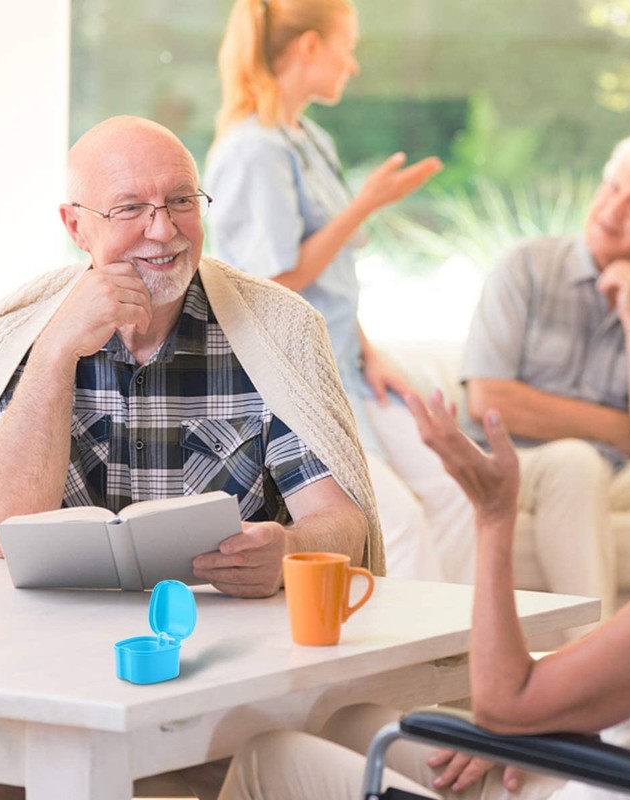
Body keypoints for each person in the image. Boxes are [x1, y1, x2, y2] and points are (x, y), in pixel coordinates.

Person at [216, 309, 630, 800]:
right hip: (618, 769)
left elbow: (502, 704)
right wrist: (534, 723)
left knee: (270, 758)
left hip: (598, 787)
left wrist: (493, 514)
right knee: (350, 723)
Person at [0, 114, 384, 598]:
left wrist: (289, 551)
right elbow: (0, 531)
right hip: (55, 639)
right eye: (130, 208)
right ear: (76, 226)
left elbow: (343, 522)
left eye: (181, 201)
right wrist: (56, 350)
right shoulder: (22, 331)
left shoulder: (279, 328)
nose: (163, 229)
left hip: (233, 637)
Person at [205, 0, 472, 581]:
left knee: (458, 489)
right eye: (346, 48)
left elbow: (330, 284)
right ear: (308, 47)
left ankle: (461, 654)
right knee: (395, 522)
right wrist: (364, 205)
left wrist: (370, 353)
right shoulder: (255, 150)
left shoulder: (310, 139)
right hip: (300, 379)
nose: (352, 65)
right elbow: (273, 285)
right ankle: (406, 659)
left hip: (346, 364)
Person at [457, 133, 630, 621]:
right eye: (612, 187)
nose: (613, 209)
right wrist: (621, 430)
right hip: (520, 463)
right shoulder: (526, 267)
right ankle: (594, 664)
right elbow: (489, 400)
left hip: (617, 474)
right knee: (576, 462)